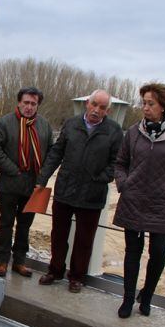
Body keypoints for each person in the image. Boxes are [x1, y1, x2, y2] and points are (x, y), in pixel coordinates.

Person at [114, 83, 165, 318]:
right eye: (143, 103)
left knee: (159, 252)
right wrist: (124, 184)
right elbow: (120, 162)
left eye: (150, 104)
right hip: (133, 201)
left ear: (163, 106)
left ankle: (146, 295)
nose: (145, 108)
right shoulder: (134, 132)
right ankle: (127, 299)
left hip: (162, 204)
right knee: (132, 252)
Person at [36, 89, 123, 293]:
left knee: (84, 239)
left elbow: (117, 162)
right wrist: (43, 178)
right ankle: (55, 270)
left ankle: (77, 277)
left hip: (92, 195)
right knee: (58, 235)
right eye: (94, 104)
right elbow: (57, 152)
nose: (96, 110)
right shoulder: (71, 124)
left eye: (102, 107)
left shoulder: (114, 131)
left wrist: (100, 178)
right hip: (65, 189)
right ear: (87, 104)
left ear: (107, 111)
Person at [0, 87, 53, 278]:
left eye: (33, 103)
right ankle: (2, 261)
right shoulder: (5, 122)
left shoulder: (44, 126)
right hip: (10, 182)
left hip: (34, 185)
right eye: (26, 103)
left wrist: (43, 178)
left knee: (25, 225)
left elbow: (52, 153)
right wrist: (12, 169)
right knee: (6, 222)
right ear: (19, 102)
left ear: (38, 105)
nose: (29, 107)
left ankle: (20, 261)